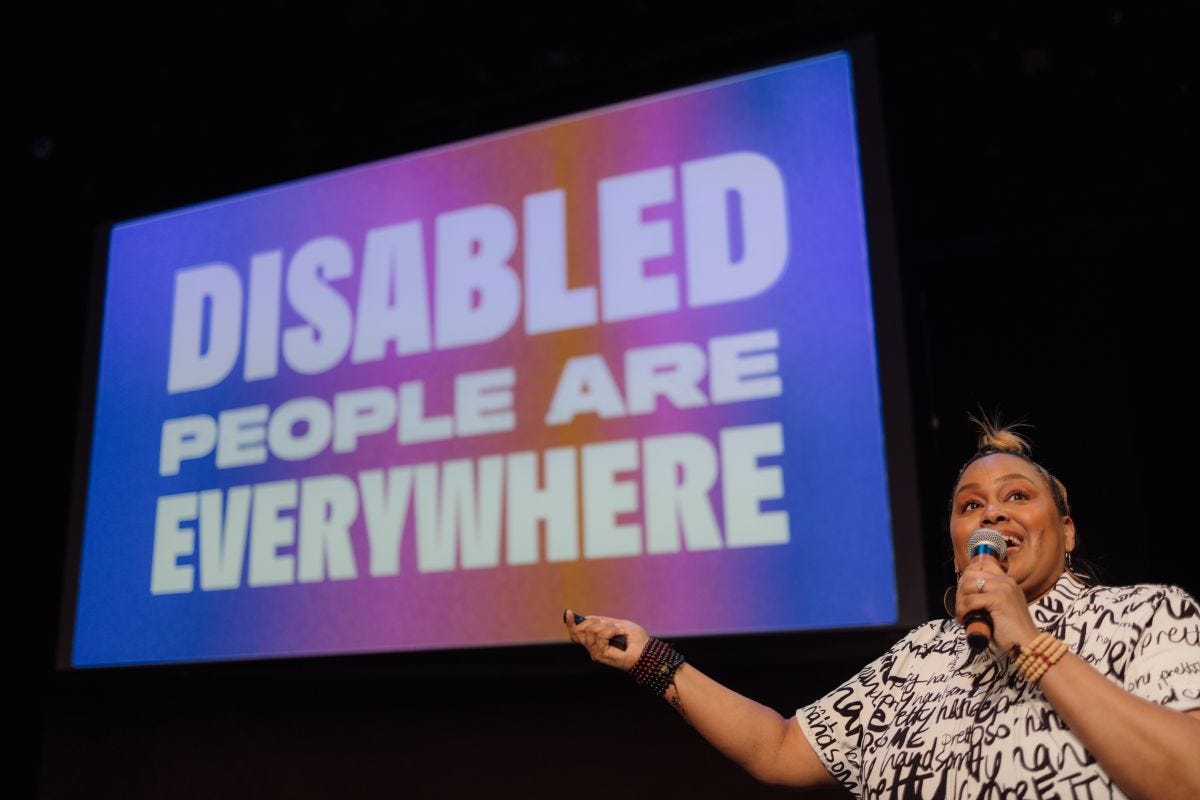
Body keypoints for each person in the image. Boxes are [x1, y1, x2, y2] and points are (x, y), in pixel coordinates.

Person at [564, 418, 1200, 798]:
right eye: (970, 505)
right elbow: (780, 748)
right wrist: (653, 660)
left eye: (1016, 496)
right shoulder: (919, 657)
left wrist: (1027, 642)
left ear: (1066, 531)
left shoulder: (1149, 616)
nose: (992, 513)